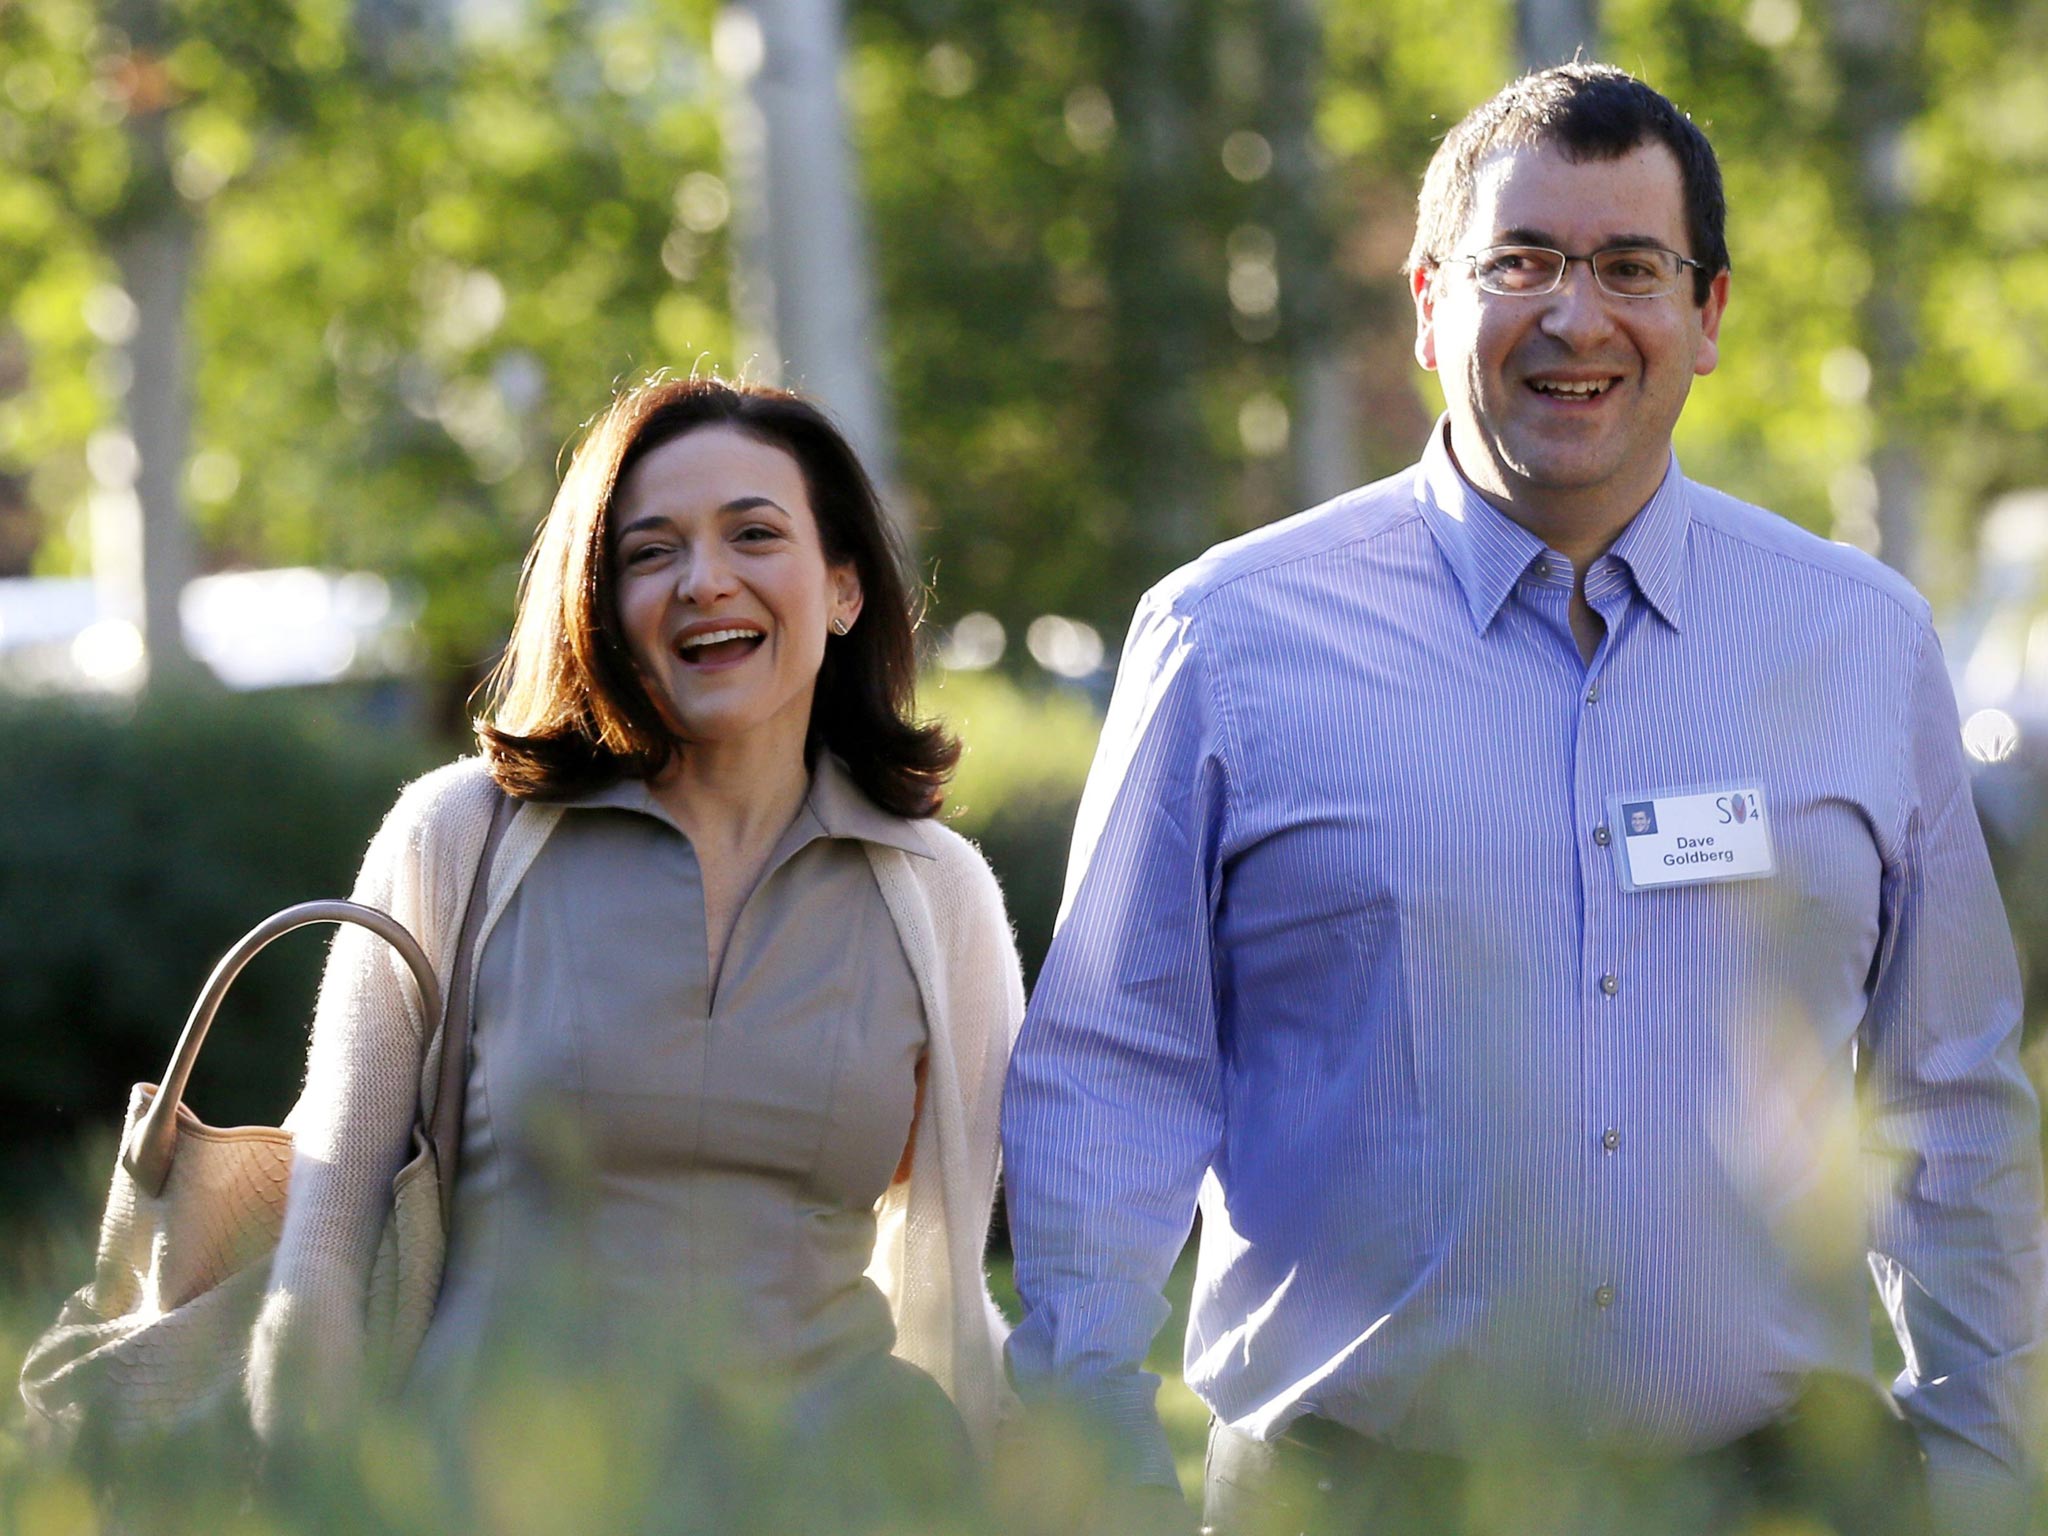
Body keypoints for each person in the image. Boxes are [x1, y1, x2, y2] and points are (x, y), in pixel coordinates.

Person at [1001, 62, 2045, 1536]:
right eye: (1522, 262)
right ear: (1429, 303)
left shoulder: (1863, 643)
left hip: (1775, 1499)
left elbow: (1952, 1104)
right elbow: (1109, 1080)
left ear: (1711, 314)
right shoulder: (1228, 641)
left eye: (1632, 267)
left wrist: (1989, 1473)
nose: (1576, 315)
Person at [248, 377, 1022, 1508]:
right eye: (649, 552)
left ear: (844, 587)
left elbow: (958, 1279)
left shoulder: (932, 890)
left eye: (754, 533)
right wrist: (310, 1483)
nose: (705, 580)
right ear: (602, 604)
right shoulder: (461, 839)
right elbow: (320, 1252)